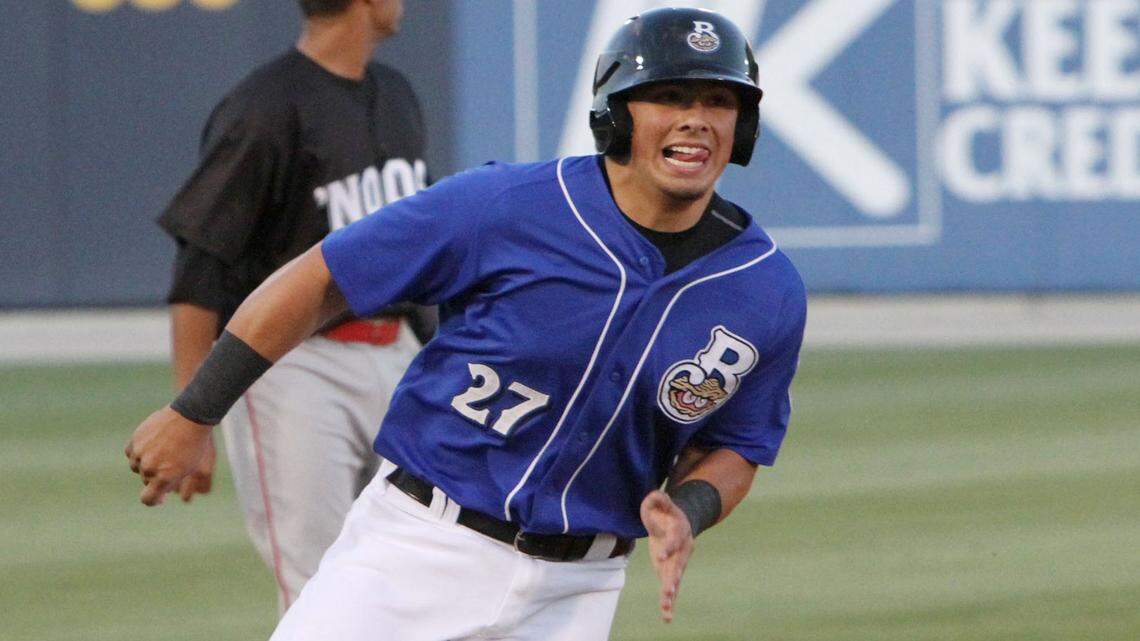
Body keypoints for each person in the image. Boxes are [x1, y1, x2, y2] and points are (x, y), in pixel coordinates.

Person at [127, 7, 806, 640]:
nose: (696, 120)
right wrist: (195, 410)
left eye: (719, 102)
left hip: (579, 589)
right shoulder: (507, 205)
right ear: (618, 112)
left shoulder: (764, 288)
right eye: (670, 97)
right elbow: (321, 278)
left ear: (742, 126)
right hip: (417, 549)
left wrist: (688, 509)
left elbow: (736, 446)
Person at [154, 0, 432, 613]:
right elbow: (202, 264)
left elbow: (419, 248)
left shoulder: (397, 94)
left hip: (399, 357)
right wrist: (194, 415)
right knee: (320, 592)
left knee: (416, 572)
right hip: (295, 366)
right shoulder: (265, 107)